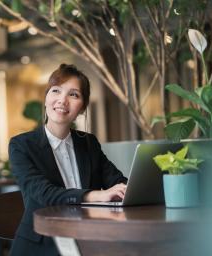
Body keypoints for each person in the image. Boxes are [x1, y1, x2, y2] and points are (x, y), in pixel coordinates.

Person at [8, 64, 127, 256]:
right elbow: (45, 194)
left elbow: (116, 180)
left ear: (82, 108)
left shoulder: (88, 143)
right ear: (46, 98)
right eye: (56, 91)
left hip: (88, 238)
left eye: (74, 95)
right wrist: (95, 195)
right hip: (43, 244)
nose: (62, 100)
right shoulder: (21, 145)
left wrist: (129, 189)